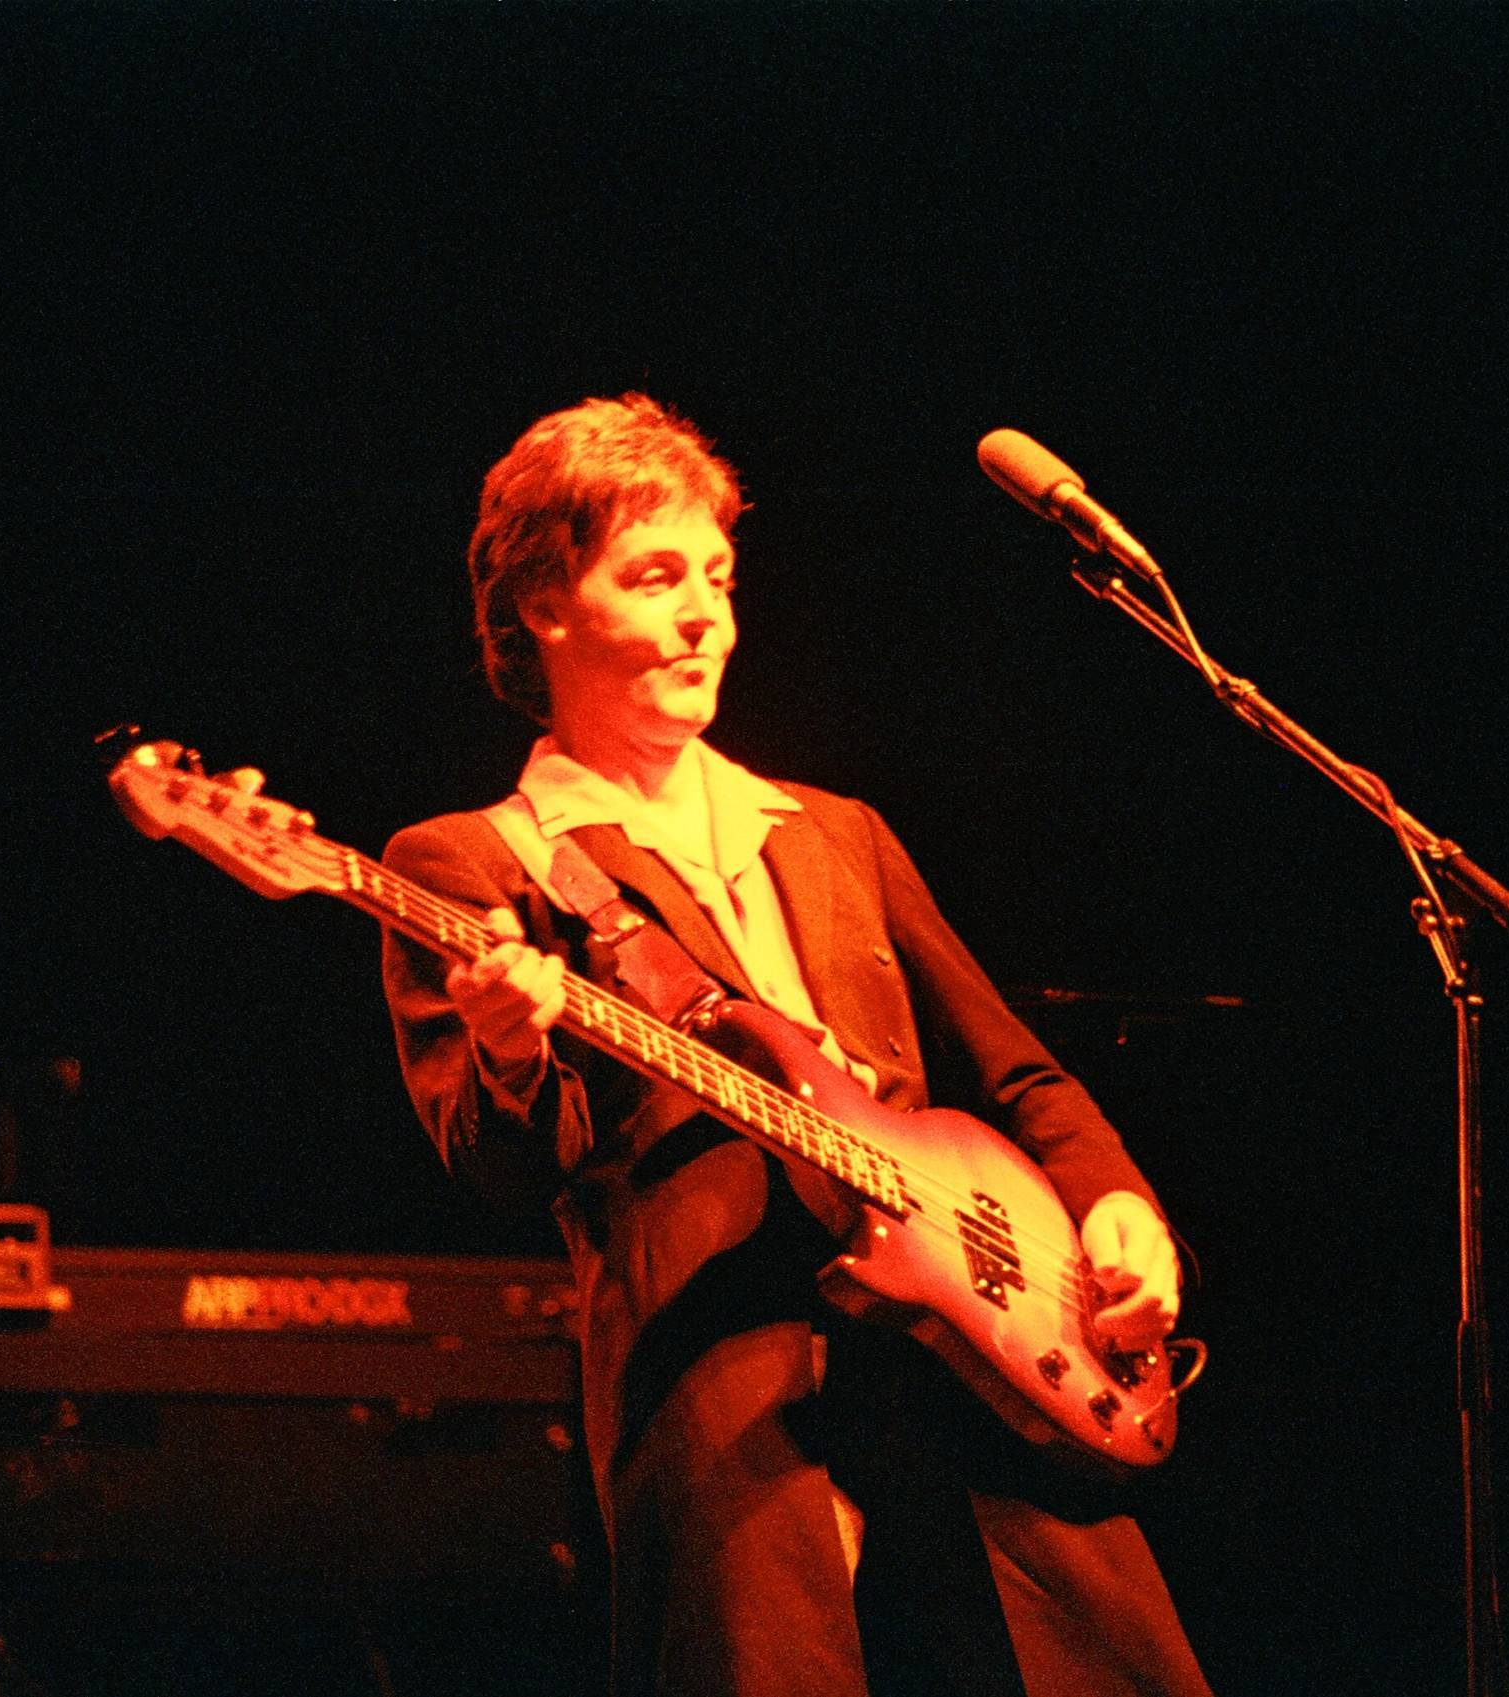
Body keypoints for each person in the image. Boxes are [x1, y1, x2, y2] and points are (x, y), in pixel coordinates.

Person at [381, 394, 1211, 1696]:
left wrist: (1117, 1206)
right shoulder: (474, 862)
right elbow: (499, 1159)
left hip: (979, 1351)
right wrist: (512, 1046)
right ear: (546, 602)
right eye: (656, 578)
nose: (707, 613)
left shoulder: (836, 832)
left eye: (717, 574)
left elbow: (1016, 1073)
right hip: (730, 1394)